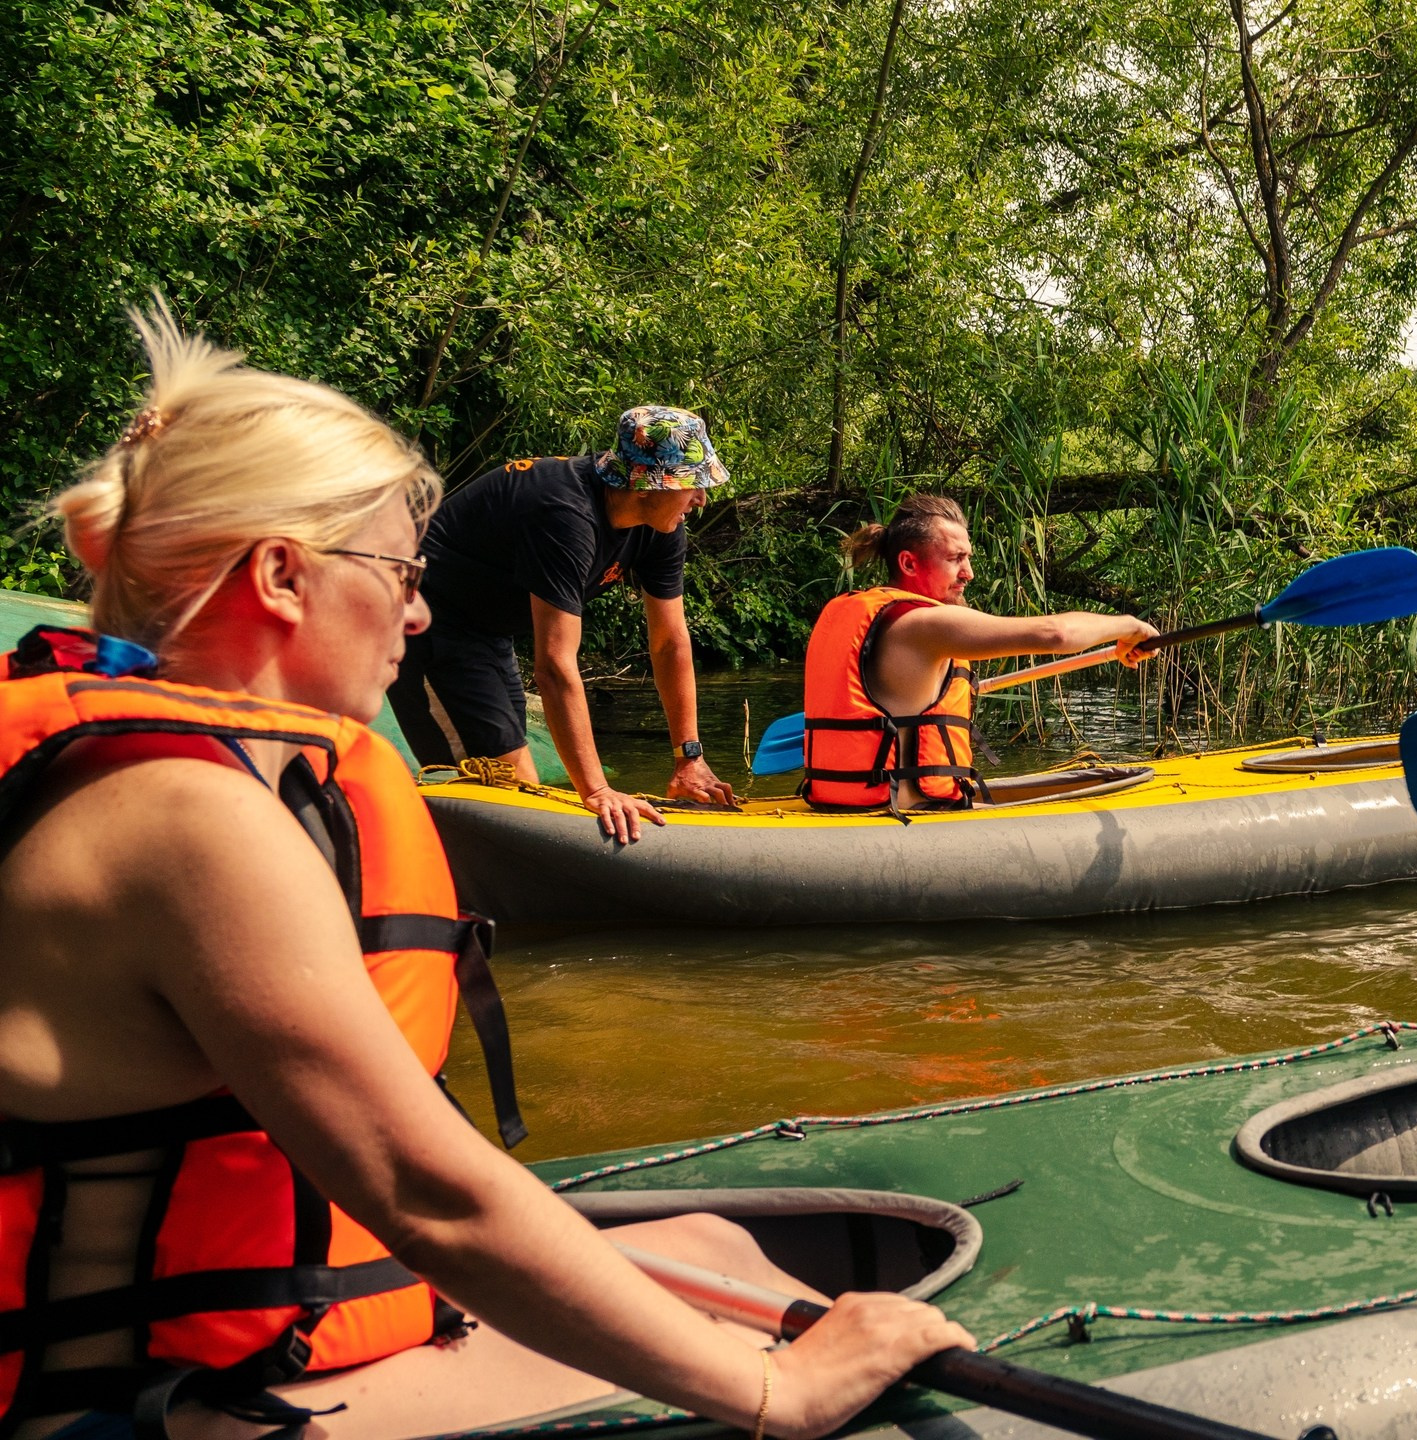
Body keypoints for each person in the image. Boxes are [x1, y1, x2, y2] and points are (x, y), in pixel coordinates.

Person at [0, 306, 969, 1438]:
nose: (419, 607)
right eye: (399, 571)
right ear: (279, 574)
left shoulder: (167, 778)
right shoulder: (189, 822)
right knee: (761, 1350)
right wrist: (776, 1389)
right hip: (126, 1407)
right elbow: (428, 1196)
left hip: (227, 1335)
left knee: (711, 1249)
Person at [386, 406, 735, 845]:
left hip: (487, 633)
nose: (701, 498)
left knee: (518, 785)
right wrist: (599, 790)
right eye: (692, 484)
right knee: (488, 796)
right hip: (426, 622)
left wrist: (689, 758)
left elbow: (670, 643)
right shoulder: (564, 513)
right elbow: (553, 665)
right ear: (646, 486)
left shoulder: (662, 526)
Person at [803, 495, 1157, 811]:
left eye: (967, 558)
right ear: (909, 564)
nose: (968, 573)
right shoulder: (923, 626)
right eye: (955, 559)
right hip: (909, 816)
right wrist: (1128, 625)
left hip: (841, 806)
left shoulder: (854, 613)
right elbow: (1055, 634)